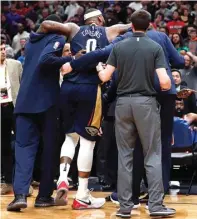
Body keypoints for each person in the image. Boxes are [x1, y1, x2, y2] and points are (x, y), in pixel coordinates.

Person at [61, 21, 185, 198]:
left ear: (131, 26)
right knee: (162, 143)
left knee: (132, 147)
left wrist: (73, 64)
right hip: (165, 94)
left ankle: (129, 194)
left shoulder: (123, 40)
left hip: (138, 95)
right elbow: (179, 62)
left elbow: (102, 59)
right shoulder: (160, 37)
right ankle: (159, 191)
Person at [40, 8, 130, 209]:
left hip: (68, 87)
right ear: (99, 19)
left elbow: (48, 24)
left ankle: (63, 177)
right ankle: (82, 194)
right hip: (90, 89)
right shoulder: (109, 31)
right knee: (88, 142)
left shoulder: (73, 28)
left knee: (70, 136)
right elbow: (132, 26)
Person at [95, 10, 176, 218]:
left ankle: (124, 208)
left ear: (131, 26)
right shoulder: (155, 46)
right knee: (152, 154)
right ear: (149, 26)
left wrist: (98, 68)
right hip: (146, 103)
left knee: (125, 156)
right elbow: (165, 82)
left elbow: (105, 77)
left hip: (122, 104)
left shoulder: (119, 46)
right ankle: (156, 205)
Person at [7, 14, 73, 212]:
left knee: (23, 150)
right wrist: (72, 58)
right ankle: (44, 196)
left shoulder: (30, 42)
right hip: (47, 103)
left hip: (24, 103)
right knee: (50, 150)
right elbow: (46, 60)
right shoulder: (57, 39)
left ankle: (20, 195)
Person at [1, 42, 22, 195]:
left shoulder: (15, 64)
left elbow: (24, 85)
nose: (3, 52)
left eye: (3, 49)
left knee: (22, 144)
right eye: (0, 50)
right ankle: (8, 182)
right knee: (4, 147)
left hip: (14, 107)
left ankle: (23, 182)